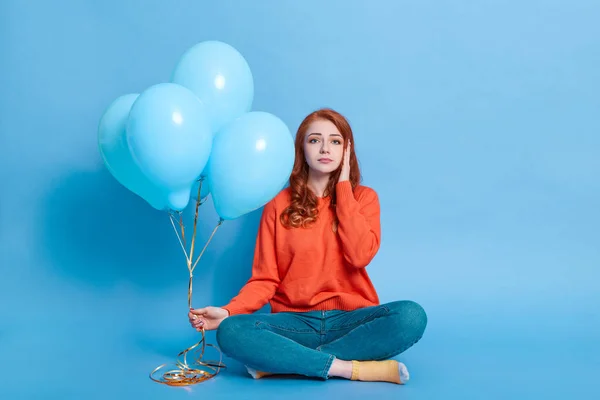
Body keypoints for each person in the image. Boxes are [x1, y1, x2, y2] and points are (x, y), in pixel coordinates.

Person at [188, 108, 427, 384]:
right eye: (315, 140)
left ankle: (283, 363)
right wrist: (229, 311)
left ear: (346, 151)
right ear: (302, 148)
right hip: (295, 323)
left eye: (335, 141)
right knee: (230, 331)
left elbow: (360, 255)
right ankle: (349, 368)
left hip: (350, 321)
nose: (325, 148)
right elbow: (265, 279)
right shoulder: (278, 204)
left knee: (411, 316)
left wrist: (344, 188)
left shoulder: (363, 198)